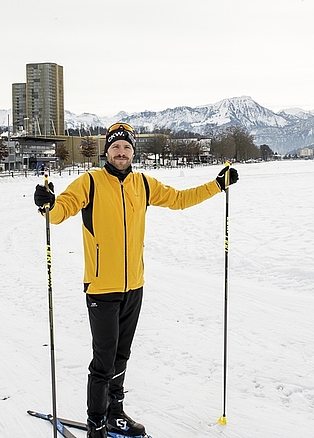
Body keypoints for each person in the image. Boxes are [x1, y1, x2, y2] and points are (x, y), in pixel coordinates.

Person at [34, 123, 238, 438]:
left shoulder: (142, 184)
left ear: (133, 152)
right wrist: (47, 204)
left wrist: (217, 185)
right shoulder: (89, 183)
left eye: (127, 148)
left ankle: (115, 414)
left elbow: (179, 199)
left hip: (134, 286)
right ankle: (96, 424)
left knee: (122, 355)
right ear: (107, 151)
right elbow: (61, 210)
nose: (121, 152)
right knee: (103, 361)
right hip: (102, 288)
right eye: (116, 147)